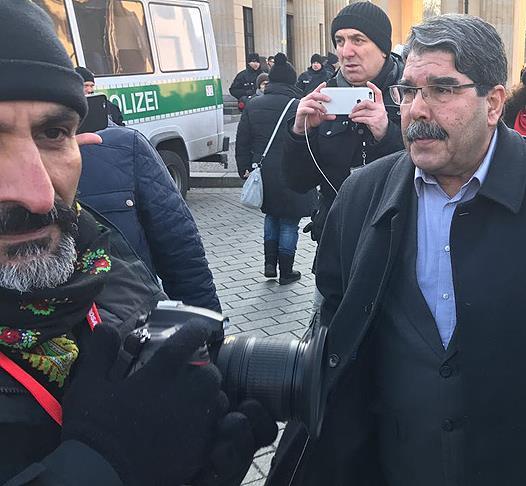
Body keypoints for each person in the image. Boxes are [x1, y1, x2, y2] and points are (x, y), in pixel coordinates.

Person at [266, 13, 526, 486]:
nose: (417, 110)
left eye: (442, 89)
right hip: (395, 463)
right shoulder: (361, 194)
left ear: (493, 102)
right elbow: (335, 314)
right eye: (408, 91)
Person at [0, 1, 276, 483]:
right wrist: (99, 468)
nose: (39, 194)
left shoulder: (103, 263)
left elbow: (182, 253)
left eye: (53, 133)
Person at [280, 2, 405, 243]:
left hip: (392, 238)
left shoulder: (410, 94)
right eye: (339, 41)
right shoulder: (323, 96)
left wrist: (387, 133)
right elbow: (298, 183)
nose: (346, 52)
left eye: (358, 40)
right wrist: (300, 134)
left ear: (383, 49)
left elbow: (429, 175)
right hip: (335, 240)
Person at [78, 126, 222, 312]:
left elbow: (181, 254)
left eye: (55, 134)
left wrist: (205, 323)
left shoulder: (124, 146)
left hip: (136, 322)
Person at [236, 54, 317, 284]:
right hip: (294, 168)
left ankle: (269, 265)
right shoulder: (298, 106)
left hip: (264, 170)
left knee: (271, 215)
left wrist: (243, 167)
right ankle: (286, 271)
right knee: (289, 220)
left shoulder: (253, 104)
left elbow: (243, 139)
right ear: (292, 80)